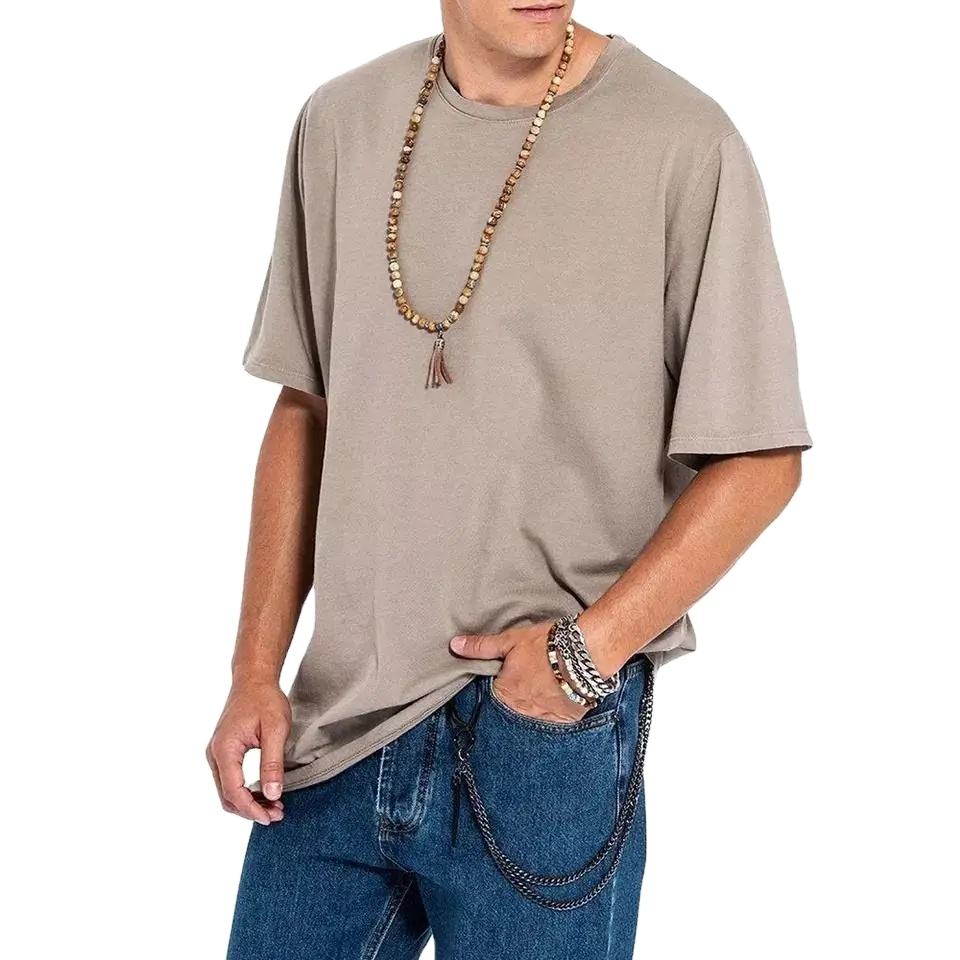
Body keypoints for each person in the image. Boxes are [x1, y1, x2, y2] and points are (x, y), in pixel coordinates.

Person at [207, 2, 812, 957]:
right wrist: (254, 669)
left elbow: (761, 458)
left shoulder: (684, 142)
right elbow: (307, 406)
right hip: (335, 730)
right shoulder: (342, 122)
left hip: (541, 737)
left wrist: (582, 657)